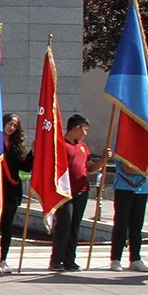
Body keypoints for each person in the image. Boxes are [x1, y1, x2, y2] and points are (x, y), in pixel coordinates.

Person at [50, 113, 107, 272]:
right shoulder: (60, 144)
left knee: (75, 225)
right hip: (64, 192)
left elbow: (90, 168)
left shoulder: (83, 146)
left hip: (82, 191)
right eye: (85, 129)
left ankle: (70, 260)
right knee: (64, 224)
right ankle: (56, 259)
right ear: (76, 128)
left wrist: (103, 160)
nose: (86, 133)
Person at [0, 113, 31, 275]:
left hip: (12, 189)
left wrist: (33, 152)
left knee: (7, 226)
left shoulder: (16, 145)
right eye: (9, 124)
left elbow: (25, 167)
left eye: (14, 125)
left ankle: (3, 259)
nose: (11, 127)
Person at [109, 152, 148, 273]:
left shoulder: (147, 143)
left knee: (137, 225)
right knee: (121, 224)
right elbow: (127, 168)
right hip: (124, 187)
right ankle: (116, 258)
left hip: (141, 188)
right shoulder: (123, 142)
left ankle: (135, 258)